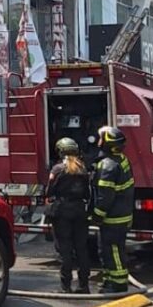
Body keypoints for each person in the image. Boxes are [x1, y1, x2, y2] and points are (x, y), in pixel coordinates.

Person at [92, 126, 135, 294]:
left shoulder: (108, 166)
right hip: (122, 214)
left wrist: (97, 214)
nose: (98, 141)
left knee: (113, 250)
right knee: (108, 250)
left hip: (113, 218)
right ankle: (109, 279)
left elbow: (105, 196)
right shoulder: (122, 159)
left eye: (100, 138)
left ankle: (118, 283)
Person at [46, 137, 91, 294]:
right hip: (79, 211)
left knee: (65, 249)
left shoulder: (57, 169)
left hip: (62, 212)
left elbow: (49, 191)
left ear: (60, 151)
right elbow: (87, 193)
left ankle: (66, 286)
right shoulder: (83, 169)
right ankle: (83, 285)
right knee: (81, 249)